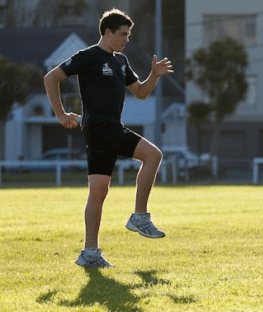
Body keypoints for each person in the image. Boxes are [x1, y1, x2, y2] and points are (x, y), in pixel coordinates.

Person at [43, 9, 173, 268]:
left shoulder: (121, 61)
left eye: (129, 34)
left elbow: (141, 93)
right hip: (101, 128)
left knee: (98, 192)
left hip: (108, 128)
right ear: (108, 32)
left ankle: (90, 253)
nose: (126, 39)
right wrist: (60, 114)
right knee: (153, 154)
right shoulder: (88, 56)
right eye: (123, 34)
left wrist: (155, 75)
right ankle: (140, 216)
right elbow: (51, 77)